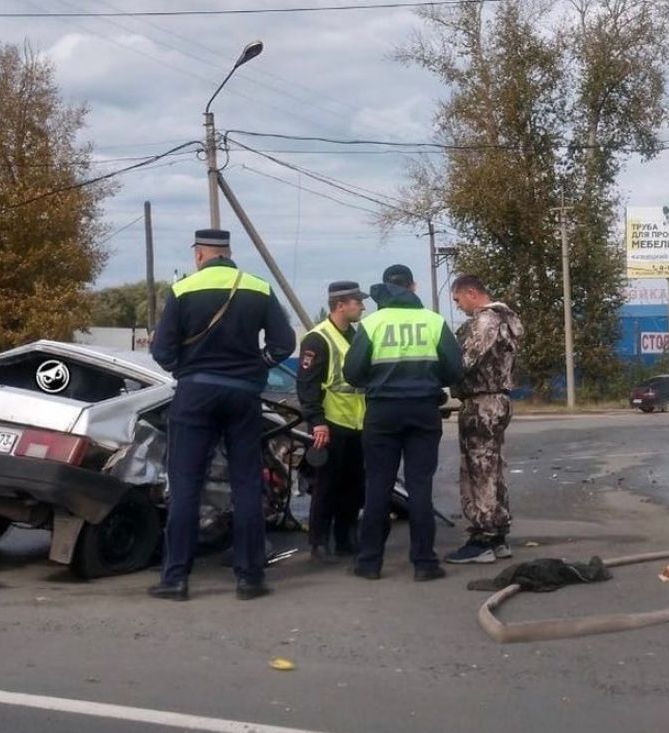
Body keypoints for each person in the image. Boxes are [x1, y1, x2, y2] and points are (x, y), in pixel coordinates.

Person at [148, 229, 296, 601]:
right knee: (246, 483)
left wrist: (186, 369)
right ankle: (249, 579)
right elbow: (284, 343)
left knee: (185, 486)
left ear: (199, 255)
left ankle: (176, 580)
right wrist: (256, 365)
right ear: (228, 254)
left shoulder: (183, 290)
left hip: (195, 394)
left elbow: (161, 351)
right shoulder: (257, 287)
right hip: (244, 395)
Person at [343, 264, 463, 581]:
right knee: (420, 487)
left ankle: (369, 563)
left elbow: (352, 373)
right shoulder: (433, 322)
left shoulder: (373, 324)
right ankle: (424, 563)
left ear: (385, 288)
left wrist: (378, 379)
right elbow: (454, 369)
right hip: (423, 411)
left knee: (378, 487)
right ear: (413, 287)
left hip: (382, 413)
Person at [444, 274, 524, 564]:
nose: (458, 306)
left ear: (472, 293)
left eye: (458, 300)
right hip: (496, 399)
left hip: (482, 401)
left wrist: (438, 372)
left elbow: (464, 360)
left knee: (479, 468)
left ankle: (483, 537)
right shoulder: (505, 319)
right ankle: (498, 533)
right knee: (492, 465)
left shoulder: (485, 320)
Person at [297, 281, 369, 562]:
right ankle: (318, 542)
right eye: (357, 302)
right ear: (341, 305)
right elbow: (307, 384)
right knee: (326, 485)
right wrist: (317, 421)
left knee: (354, 485)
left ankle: (346, 538)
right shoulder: (318, 339)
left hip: (357, 422)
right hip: (329, 424)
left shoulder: (356, 337)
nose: (362, 306)